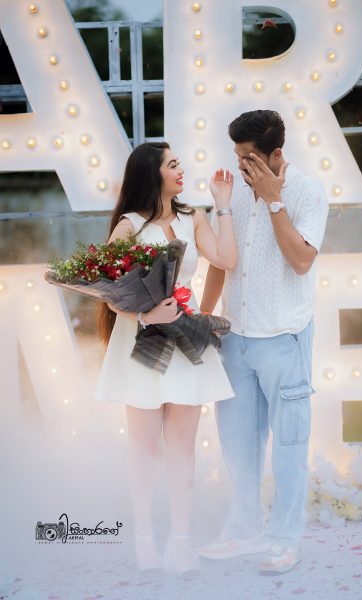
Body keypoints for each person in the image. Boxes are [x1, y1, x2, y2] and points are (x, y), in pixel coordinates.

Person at [94, 142, 237, 575]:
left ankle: (180, 542)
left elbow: (226, 258)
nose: (181, 170)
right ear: (151, 173)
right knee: (143, 448)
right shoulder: (130, 226)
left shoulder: (193, 217)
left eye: (179, 162)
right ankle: (144, 542)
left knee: (182, 448)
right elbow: (108, 289)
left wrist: (223, 205)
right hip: (142, 341)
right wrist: (145, 314)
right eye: (172, 164)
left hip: (186, 337)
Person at [199, 110, 329, 574]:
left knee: (289, 446)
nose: (241, 166)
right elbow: (222, 260)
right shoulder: (234, 193)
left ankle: (285, 540)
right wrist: (205, 316)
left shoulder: (308, 191)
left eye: (249, 159)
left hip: (284, 339)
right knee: (238, 446)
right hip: (235, 337)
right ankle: (243, 529)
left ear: (276, 155)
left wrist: (275, 201)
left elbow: (301, 261)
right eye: (237, 157)